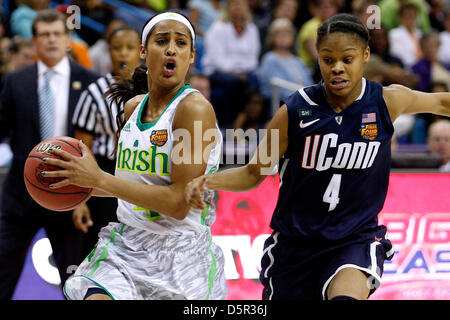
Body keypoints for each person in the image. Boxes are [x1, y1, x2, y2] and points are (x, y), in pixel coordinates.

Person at [185, 13, 450, 300]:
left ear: (365, 55)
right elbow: (253, 173)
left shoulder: (386, 101)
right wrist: (208, 180)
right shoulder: (294, 111)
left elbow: (440, 101)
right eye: (328, 59)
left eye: (347, 60)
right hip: (295, 244)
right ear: (318, 59)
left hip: (354, 239)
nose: (337, 68)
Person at [43, 12, 226, 300]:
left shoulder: (194, 110)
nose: (171, 49)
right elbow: (133, 184)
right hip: (127, 246)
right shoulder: (132, 109)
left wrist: (99, 178)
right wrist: (75, 184)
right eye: (162, 41)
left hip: (182, 260)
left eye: (181, 44)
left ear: (191, 56)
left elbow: (178, 203)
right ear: (143, 51)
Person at [0, 9, 99, 300]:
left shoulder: (90, 81)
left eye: (57, 34)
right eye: (44, 35)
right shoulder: (16, 81)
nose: (51, 40)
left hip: (69, 193)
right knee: (3, 270)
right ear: (34, 41)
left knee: (75, 276)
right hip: (20, 195)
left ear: (68, 39)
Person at [71, 26, 141, 257]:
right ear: (108, 52)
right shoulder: (94, 92)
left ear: (142, 51)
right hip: (104, 171)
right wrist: (79, 200)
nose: (123, 54)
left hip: (144, 174)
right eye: (116, 48)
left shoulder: (157, 90)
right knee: (102, 248)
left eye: (130, 48)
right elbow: (81, 150)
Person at [388, 2, 423, 69]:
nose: (411, 18)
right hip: (406, 68)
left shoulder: (420, 34)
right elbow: (397, 55)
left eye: (413, 15)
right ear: (400, 17)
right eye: (408, 15)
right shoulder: (394, 34)